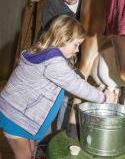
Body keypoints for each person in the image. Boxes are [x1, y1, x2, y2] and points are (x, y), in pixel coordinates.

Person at [0, 15, 117, 159]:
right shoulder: (54, 62)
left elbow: (71, 76)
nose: (77, 50)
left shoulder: (48, 55)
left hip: (19, 112)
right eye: (76, 45)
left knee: (30, 152)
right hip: (16, 116)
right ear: (63, 39)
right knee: (23, 155)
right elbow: (76, 85)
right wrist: (103, 97)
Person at [39, 0, 84, 133]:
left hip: (81, 52)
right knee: (61, 96)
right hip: (58, 53)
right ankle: (51, 137)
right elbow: (51, 41)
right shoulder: (52, 6)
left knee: (73, 97)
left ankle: (62, 134)